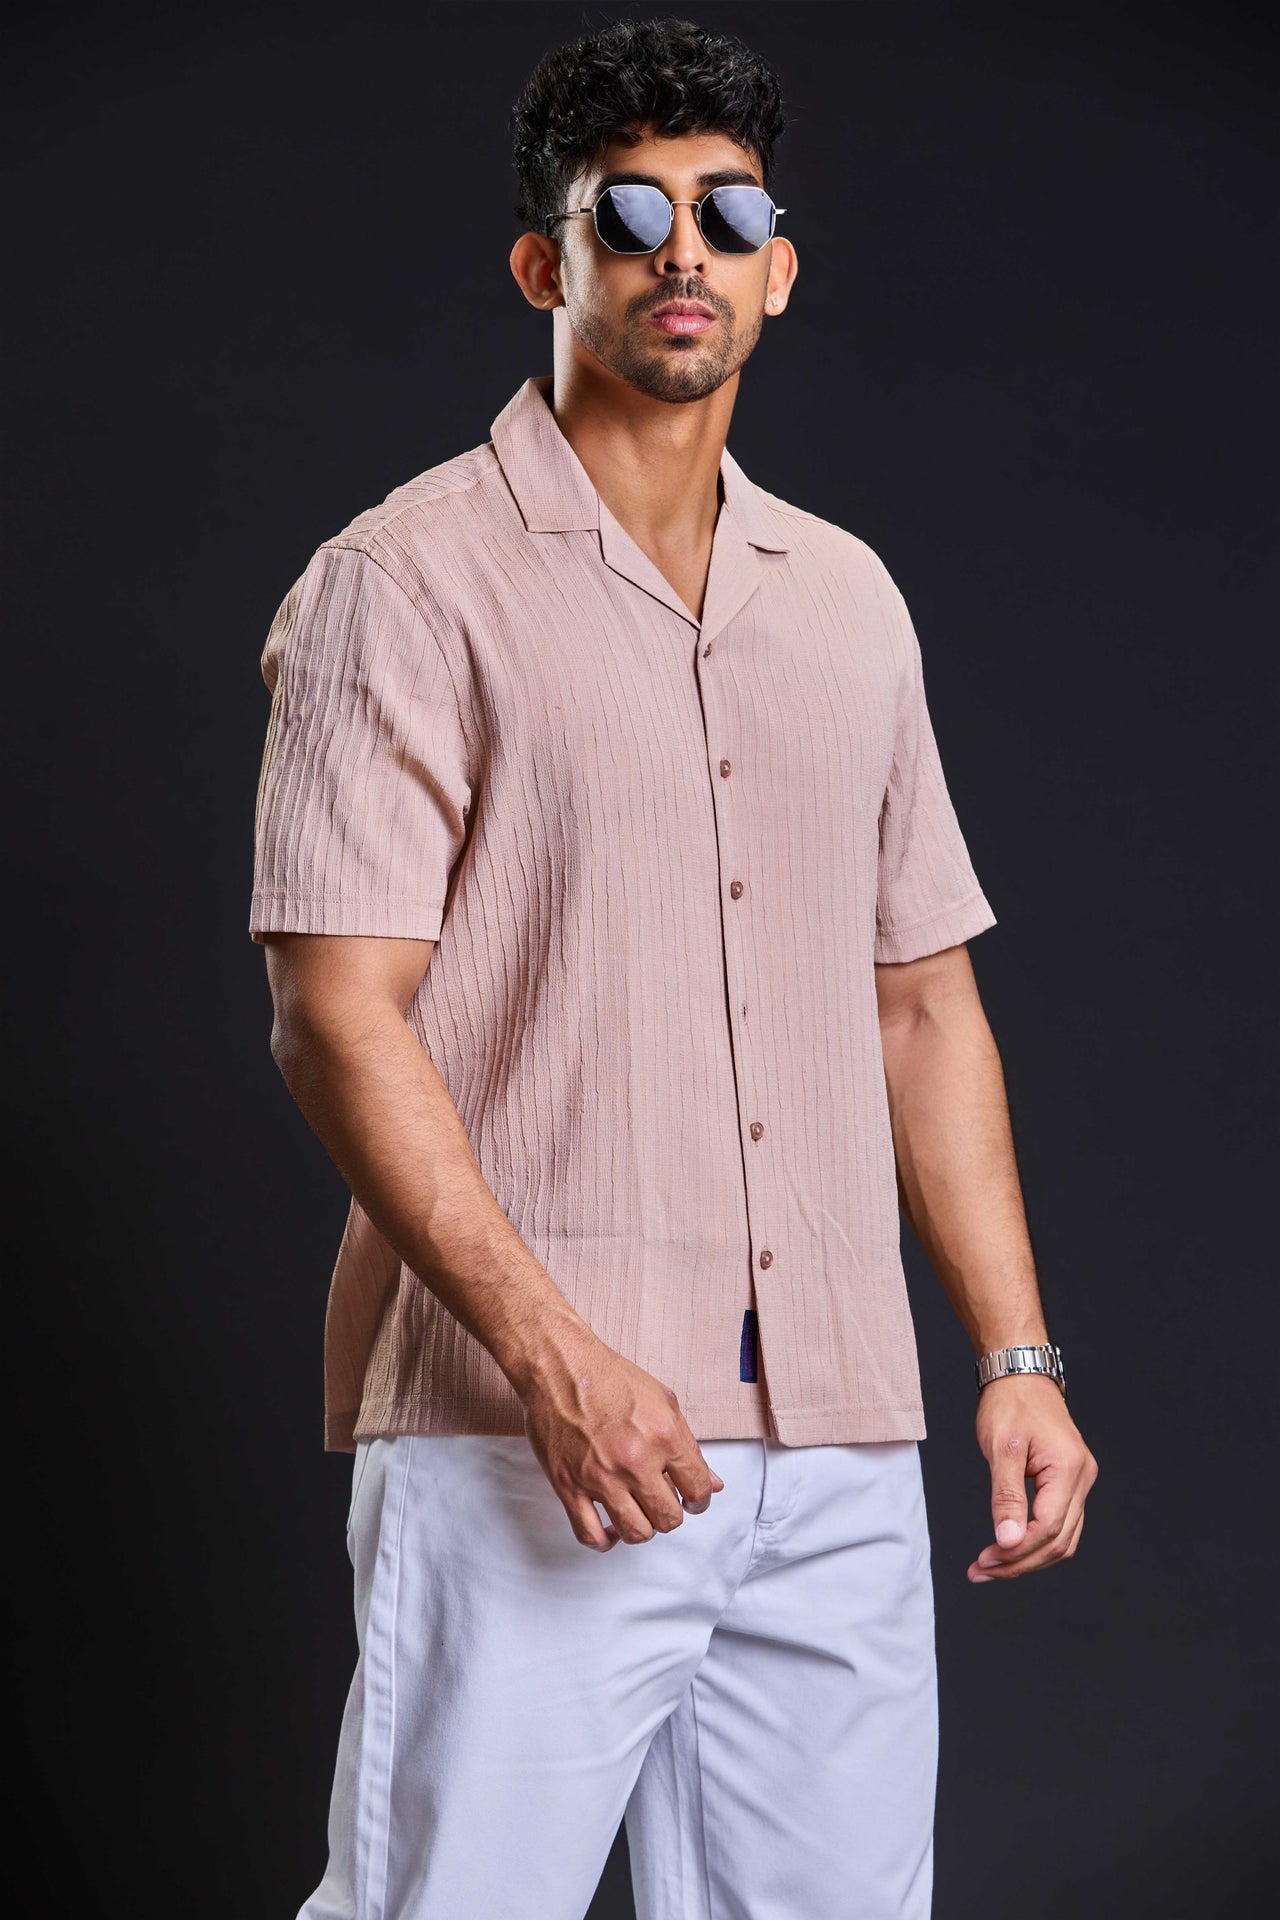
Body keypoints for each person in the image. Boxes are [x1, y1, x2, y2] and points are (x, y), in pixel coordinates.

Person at [249, 16, 1098, 1919]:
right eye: (627, 214)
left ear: (781, 267)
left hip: (839, 1440)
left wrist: (1015, 1360)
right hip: (526, 1438)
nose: (682, 250)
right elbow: (333, 1015)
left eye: (727, 212)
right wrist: (552, 1358)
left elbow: (920, 1004)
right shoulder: (403, 582)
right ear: (546, 264)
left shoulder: (850, 599)